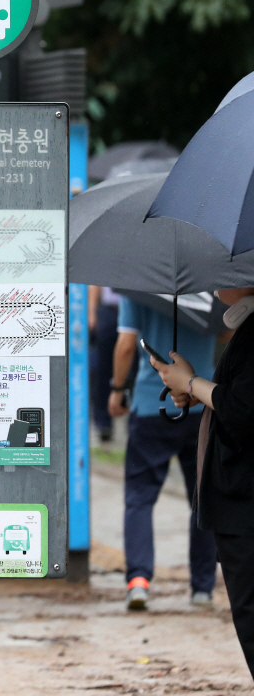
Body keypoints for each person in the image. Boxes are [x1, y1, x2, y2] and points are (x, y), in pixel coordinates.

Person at [152, 287, 254, 678]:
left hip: (245, 504)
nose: (213, 285)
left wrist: (192, 383)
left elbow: (244, 409)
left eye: (222, 274)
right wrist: (195, 391)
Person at [110, 296, 216, 610]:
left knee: (140, 497)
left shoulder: (138, 287)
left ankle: (138, 581)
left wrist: (117, 389)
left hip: (150, 403)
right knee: (202, 498)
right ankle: (202, 587)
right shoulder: (209, 282)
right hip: (201, 403)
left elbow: (126, 345)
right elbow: (227, 333)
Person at [90, 285, 122, 441]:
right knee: (103, 370)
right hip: (109, 311)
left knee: (133, 368)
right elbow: (95, 284)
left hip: (131, 308)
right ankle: (103, 422)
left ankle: (130, 414)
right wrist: (91, 312)